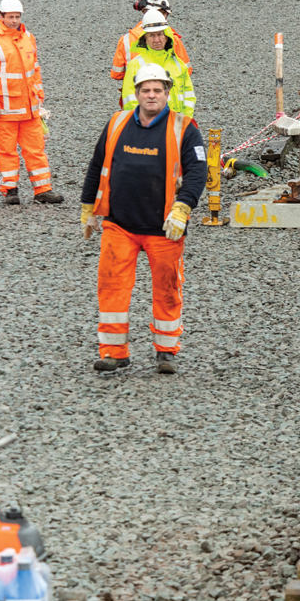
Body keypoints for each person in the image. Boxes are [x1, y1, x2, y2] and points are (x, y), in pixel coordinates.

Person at [80, 64, 206, 375]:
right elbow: (97, 165)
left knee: (167, 288)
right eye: (146, 90)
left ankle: (166, 351)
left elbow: (197, 173)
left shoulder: (185, 128)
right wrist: (87, 207)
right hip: (119, 225)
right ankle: (113, 352)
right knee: (111, 287)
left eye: (157, 90)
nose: (152, 95)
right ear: (136, 93)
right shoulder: (118, 122)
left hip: (164, 228)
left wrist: (183, 208)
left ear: (167, 93)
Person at [0, 0, 64, 205]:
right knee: (6, 151)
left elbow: (35, 70)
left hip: (29, 109)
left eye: (17, 17)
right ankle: (10, 190)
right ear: (1, 16)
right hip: (4, 110)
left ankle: (43, 190)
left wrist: (39, 96)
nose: (14, 20)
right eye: (10, 17)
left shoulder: (28, 38)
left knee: (36, 149)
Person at [112, 0, 190, 105]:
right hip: (171, 105)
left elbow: (116, 74)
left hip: (136, 102)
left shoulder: (126, 40)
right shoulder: (173, 39)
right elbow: (186, 71)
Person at [121, 9, 196, 119]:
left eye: (160, 34)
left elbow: (189, 98)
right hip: (148, 128)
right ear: (144, 38)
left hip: (176, 126)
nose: (157, 40)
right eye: (151, 35)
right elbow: (130, 101)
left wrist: (184, 123)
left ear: (167, 36)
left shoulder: (179, 64)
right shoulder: (135, 65)